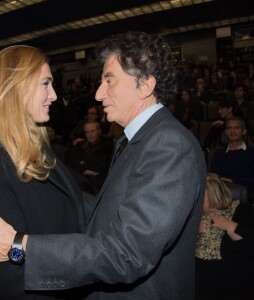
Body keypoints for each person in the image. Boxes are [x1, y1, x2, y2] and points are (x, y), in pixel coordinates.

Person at [0, 32, 206, 300]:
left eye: (109, 80)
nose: (98, 94)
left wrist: (20, 245)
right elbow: (99, 209)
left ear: (145, 85)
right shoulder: (134, 141)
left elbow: (127, 254)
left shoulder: (168, 144)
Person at [0, 45, 86, 299]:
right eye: (46, 84)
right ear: (19, 88)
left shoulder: (37, 149)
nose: (54, 95)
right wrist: (20, 250)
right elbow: (9, 257)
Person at [195, 173, 254, 300]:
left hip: (241, 290)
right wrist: (192, 234)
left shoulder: (241, 212)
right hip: (203, 291)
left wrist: (229, 225)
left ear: (215, 194)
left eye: (200, 194)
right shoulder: (191, 221)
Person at [210, 116, 254, 204]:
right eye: (229, 128)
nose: (232, 131)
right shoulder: (218, 154)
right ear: (225, 132)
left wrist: (233, 180)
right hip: (222, 196)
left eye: (236, 128)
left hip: (245, 197)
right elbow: (214, 179)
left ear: (244, 131)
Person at [67, 120, 113, 194]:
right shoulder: (80, 146)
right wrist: (88, 170)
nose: (90, 135)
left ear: (99, 131)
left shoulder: (108, 147)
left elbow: (103, 167)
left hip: (100, 184)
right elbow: (71, 165)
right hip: (81, 183)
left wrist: (83, 167)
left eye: (92, 131)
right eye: (87, 132)